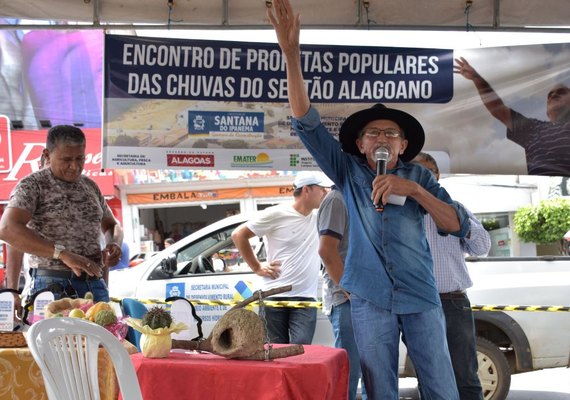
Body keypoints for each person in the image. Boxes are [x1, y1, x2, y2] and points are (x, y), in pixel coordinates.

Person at [268, 1, 470, 398]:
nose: (381, 137)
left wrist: (412, 190)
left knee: (442, 387)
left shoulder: (419, 176)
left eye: (390, 133)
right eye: (373, 133)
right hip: (369, 299)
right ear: (360, 145)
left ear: (404, 144)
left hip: (421, 295)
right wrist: (291, 54)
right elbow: (306, 121)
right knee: (379, 390)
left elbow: (454, 223)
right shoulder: (346, 172)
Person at [0, 125, 123, 303]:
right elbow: (7, 229)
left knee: (103, 331)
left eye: (80, 158)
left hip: (95, 285)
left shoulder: (90, 186)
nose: (75, 166)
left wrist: (114, 242)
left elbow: (112, 225)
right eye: (66, 159)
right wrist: (62, 254)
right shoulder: (32, 185)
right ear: (47, 155)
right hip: (53, 284)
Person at [413, 152, 491, 400]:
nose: (420, 177)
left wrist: (460, 226)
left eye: (426, 172)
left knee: (464, 376)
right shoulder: (400, 212)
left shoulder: (455, 209)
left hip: (452, 302)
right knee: (429, 378)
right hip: (416, 304)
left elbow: (482, 248)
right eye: (414, 172)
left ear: (437, 176)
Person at [231, 171, 330, 344]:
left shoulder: (320, 217)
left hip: (305, 297)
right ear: (306, 190)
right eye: (322, 189)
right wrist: (256, 267)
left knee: (301, 350)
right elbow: (239, 235)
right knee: (275, 352)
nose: (325, 193)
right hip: (273, 295)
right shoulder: (276, 213)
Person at [454, 57, 570, 176]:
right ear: (547, 112)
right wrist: (476, 78)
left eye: (561, 92)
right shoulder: (534, 128)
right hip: (545, 191)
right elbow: (499, 109)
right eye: (550, 95)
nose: (553, 95)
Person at [317, 187, 366, 400]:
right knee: (348, 373)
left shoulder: (354, 196)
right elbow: (326, 251)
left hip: (360, 298)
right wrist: (351, 291)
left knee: (368, 370)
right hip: (347, 299)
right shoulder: (337, 199)